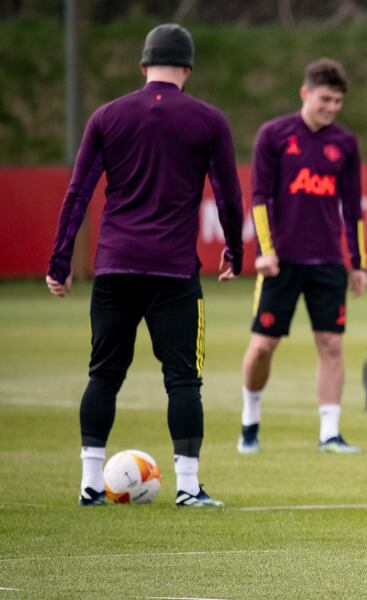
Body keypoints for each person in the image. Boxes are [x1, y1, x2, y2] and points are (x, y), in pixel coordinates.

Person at [46, 24, 244, 507]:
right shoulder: (207, 120)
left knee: (103, 375)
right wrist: (235, 250)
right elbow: (228, 194)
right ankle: (189, 488)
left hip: (114, 266)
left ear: (143, 66)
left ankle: (90, 483)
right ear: (188, 69)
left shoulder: (107, 116)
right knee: (182, 380)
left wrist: (60, 259)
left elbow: (78, 192)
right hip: (174, 272)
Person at [237, 58, 367, 455]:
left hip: (327, 262)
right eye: (325, 99)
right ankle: (250, 422)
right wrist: (265, 251)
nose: (331, 108)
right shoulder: (273, 136)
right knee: (262, 346)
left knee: (331, 345)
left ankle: (330, 433)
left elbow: (353, 206)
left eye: (337, 102)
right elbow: (259, 197)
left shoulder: (344, 144)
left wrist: (358, 264)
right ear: (305, 93)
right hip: (281, 262)